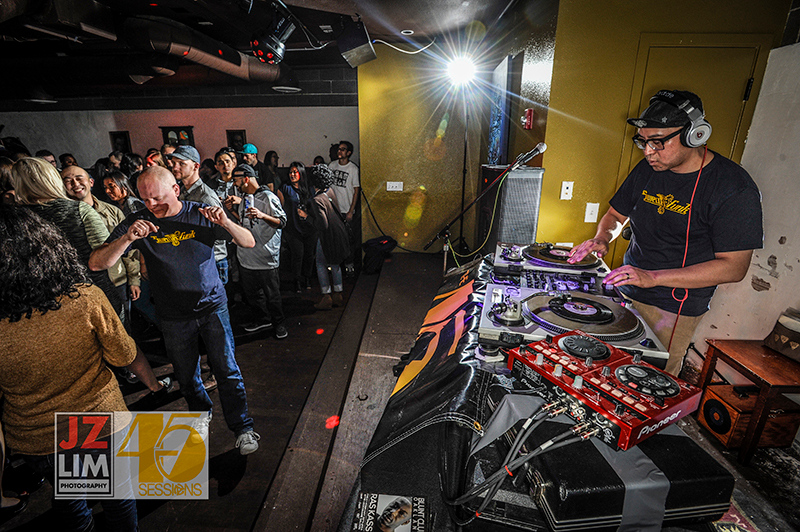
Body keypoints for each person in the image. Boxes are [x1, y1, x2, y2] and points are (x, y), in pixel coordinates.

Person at [569, 89, 763, 376]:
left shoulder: (733, 187)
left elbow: (734, 268)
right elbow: (616, 215)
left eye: (658, 142)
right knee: (606, 366)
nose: (648, 151)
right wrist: (602, 237)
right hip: (627, 287)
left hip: (674, 305)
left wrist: (653, 277)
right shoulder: (648, 169)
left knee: (650, 378)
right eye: (643, 142)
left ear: (694, 135)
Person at [89, 166, 261, 455]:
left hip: (212, 307)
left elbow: (248, 241)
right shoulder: (138, 221)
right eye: (145, 199)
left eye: (157, 198)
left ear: (176, 190)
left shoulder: (200, 213)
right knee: (187, 375)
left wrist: (225, 222)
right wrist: (127, 238)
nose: (151, 205)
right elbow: (97, 263)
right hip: (172, 314)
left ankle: (243, 428)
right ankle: (200, 418)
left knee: (227, 370)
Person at [0, 204, 139, 531]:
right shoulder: (85, 299)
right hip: (97, 421)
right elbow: (123, 355)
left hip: (36, 435)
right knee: (116, 495)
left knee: (71, 495)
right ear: (47, 246)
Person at [230, 164, 288, 338]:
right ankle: (262, 319)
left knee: (272, 295)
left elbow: (282, 221)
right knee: (253, 295)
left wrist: (263, 215)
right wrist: (232, 211)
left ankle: (279, 324)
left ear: (246, 179)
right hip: (247, 257)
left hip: (265, 257)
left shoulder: (268, 197)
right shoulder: (245, 199)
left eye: (236, 180)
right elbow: (245, 223)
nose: (234, 184)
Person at [308, 164, 349, 310]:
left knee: (320, 264)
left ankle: (326, 297)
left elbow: (322, 225)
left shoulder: (317, 199)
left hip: (328, 237)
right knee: (335, 264)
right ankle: (338, 295)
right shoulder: (330, 191)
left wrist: (306, 216)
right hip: (339, 233)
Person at [280, 162, 317, 293]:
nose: (292, 174)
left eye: (295, 172)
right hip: (293, 227)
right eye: (290, 172)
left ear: (301, 173)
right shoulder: (285, 188)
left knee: (309, 255)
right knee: (297, 255)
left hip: (309, 227)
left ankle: (307, 278)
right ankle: (297, 281)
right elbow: (280, 206)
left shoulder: (309, 189)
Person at [328, 140, 361, 276]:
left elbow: (356, 191)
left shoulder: (353, 169)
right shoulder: (332, 166)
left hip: (346, 209)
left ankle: (349, 265)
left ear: (348, 153)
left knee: (347, 239)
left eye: (343, 149)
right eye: (339, 149)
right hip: (333, 209)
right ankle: (335, 266)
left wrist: (351, 211)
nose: (339, 151)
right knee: (334, 239)